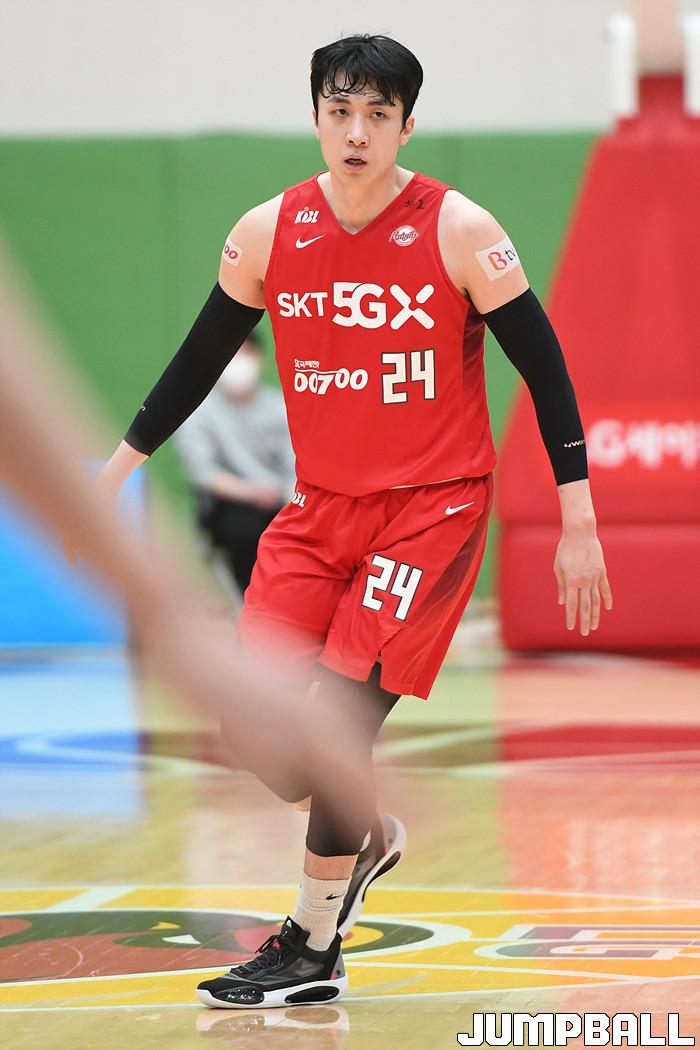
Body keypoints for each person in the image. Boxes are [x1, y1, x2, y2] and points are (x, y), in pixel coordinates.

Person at [100, 34, 613, 1009]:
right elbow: (198, 360)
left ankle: (311, 942)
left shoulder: (459, 228)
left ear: (407, 127)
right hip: (318, 509)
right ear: (315, 117)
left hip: (431, 510)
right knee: (252, 721)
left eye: (378, 114)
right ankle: (364, 835)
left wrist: (577, 518)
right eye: (340, 110)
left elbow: (544, 367)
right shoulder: (268, 231)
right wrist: (115, 471)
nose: (356, 131)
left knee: (337, 728)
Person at [174, 331, 295, 593]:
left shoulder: (279, 407)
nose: (238, 362)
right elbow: (203, 472)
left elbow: (296, 464)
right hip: (231, 504)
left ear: (260, 359)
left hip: (282, 501)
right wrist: (252, 493)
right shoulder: (200, 412)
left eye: (246, 354)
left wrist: (287, 497)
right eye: (231, 355)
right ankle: (251, 600)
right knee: (246, 531)